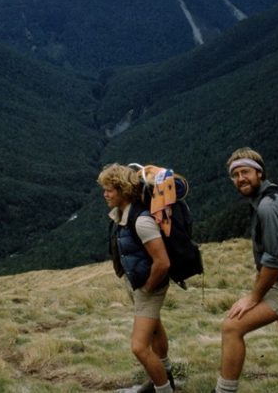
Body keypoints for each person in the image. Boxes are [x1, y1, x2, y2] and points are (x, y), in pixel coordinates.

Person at [215, 147, 278, 393]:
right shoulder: (270, 197)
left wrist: (254, 297)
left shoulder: (268, 207)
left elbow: (274, 260)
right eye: (236, 174)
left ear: (259, 173)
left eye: (246, 172)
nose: (241, 179)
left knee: (232, 327)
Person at [99, 163, 175, 393]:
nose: (105, 194)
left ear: (123, 190)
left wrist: (147, 288)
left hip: (149, 287)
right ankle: (166, 374)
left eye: (109, 189)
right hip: (140, 284)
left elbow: (163, 262)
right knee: (155, 328)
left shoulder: (141, 221)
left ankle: (163, 390)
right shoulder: (122, 214)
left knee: (139, 348)